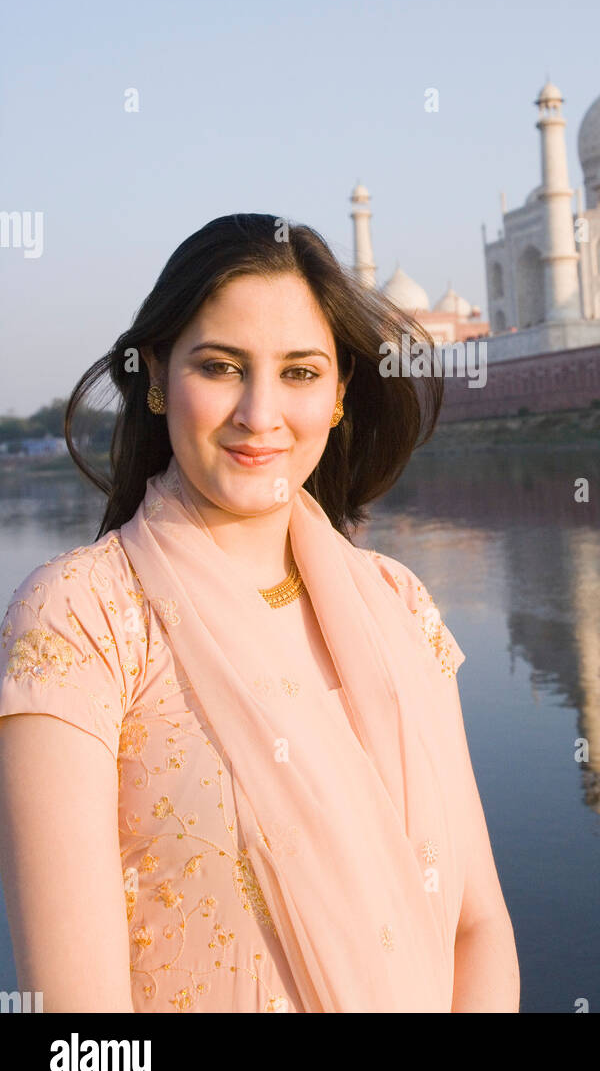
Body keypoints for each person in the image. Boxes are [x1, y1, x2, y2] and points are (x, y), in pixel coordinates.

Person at [0, 213, 519, 1013]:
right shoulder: (85, 618)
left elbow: (476, 928)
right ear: (157, 377)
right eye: (221, 366)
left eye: (302, 373)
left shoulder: (396, 604)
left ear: (341, 395)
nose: (260, 412)